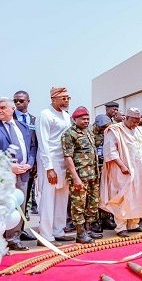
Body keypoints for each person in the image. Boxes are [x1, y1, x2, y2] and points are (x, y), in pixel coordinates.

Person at [99, 107, 142, 238]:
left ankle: (133, 224)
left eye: (138, 121)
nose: (135, 124)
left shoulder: (138, 129)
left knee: (138, 196)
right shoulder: (115, 130)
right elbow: (111, 151)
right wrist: (122, 166)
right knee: (123, 198)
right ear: (126, 118)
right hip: (122, 171)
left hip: (139, 170)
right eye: (133, 121)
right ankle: (121, 227)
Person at [36, 87, 75, 246]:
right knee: (48, 197)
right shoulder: (45, 115)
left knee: (62, 196)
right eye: (63, 98)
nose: (66, 101)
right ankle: (45, 235)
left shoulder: (66, 116)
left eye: (68, 98)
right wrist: (49, 168)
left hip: (63, 161)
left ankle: (58, 231)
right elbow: (43, 143)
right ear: (53, 99)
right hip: (50, 160)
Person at [61, 107, 103, 244]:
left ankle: (88, 229)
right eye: (83, 119)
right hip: (80, 176)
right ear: (75, 119)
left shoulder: (88, 132)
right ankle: (80, 233)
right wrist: (75, 178)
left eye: (87, 119)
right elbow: (68, 157)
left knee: (92, 204)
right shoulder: (69, 134)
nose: (86, 121)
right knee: (78, 205)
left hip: (93, 175)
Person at [0, 97, 36, 251]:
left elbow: (32, 147)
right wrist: (9, 166)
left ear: (12, 109)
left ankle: (14, 238)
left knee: (19, 206)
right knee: (4, 207)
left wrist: (30, 163)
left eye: (2, 107)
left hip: (23, 174)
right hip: (4, 175)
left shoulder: (23, 126)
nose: (0, 110)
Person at [12, 90, 38, 240]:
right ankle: (11, 233)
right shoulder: (10, 119)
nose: (17, 103)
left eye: (21, 101)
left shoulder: (33, 119)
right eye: (15, 101)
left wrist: (32, 163)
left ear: (28, 101)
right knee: (13, 200)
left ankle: (21, 229)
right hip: (15, 167)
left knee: (26, 198)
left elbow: (35, 143)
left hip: (30, 166)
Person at [93, 114, 113, 232]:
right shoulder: (90, 133)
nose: (104, 128)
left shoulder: (108, 132)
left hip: (106, 166)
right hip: (94, 168)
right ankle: (96, 221)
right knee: (96, 196)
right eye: (102, 126)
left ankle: (106, 218)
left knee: (107, 194)